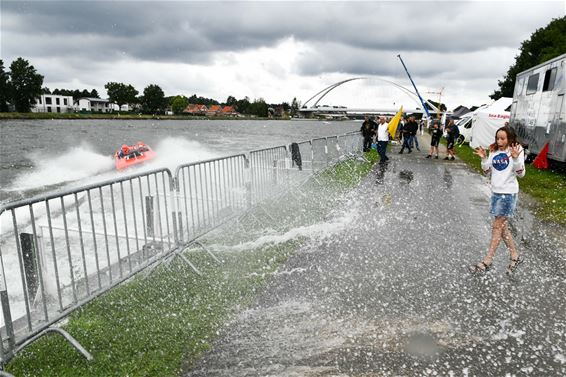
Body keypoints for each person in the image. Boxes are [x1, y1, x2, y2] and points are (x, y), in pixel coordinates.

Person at [469, 126, 525, 275]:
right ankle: (515, 255)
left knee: (497, 226)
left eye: (503, 138)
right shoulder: (494, 149)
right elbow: (487, 171)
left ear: (510, 138)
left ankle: (487, 261)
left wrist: (515, 159)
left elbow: (521, 174)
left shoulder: (516, 149)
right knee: (503, 228)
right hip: (496, 192)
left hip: (508, 193)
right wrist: (484, 158)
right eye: (497, 138)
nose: (499, 141)